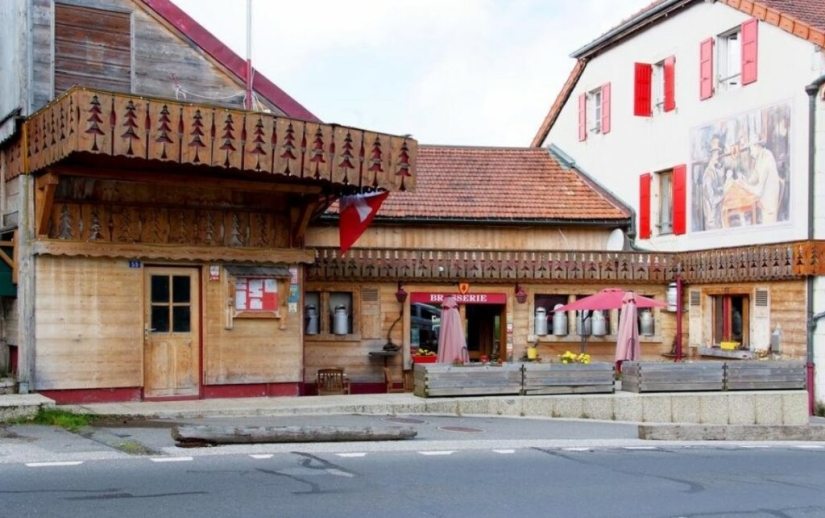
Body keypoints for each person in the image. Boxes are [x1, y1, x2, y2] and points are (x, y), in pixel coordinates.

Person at [737, 140, 781, 224]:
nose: (750, 153)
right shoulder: (760, 157)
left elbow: (759, 191)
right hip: (763, 199)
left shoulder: (767, 160)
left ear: (757, 145)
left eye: (751, 149)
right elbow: (755, 176)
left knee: (744, 210)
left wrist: (745, 186)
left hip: (768, 206)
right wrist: (746, 180)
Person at [701, 136, 725, 230]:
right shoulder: (708, 175)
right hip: (712, 221)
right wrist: (724, 193)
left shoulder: (715, 170)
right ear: (711, 154)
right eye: (716, 153)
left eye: (719, 152)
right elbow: (713, 200)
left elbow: (717, 188)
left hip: (717, 217)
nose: (718, 156)